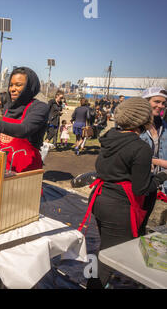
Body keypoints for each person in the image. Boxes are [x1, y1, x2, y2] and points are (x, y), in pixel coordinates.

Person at [79, 97, 167, 289]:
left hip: (100, 201)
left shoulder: (110, 137)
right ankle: (94, 285)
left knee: (103, 248)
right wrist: (162, 177)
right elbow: (141, 188)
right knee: (108, 256)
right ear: (143, 120)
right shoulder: (140, 148)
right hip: (119, 209)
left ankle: (93, 282)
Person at [0, 67, 49, 173]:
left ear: (29, 87)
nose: (12, 89)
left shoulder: (39, 107)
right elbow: (7, 133)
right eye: (11, 85)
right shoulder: (9, 107)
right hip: (5, 164)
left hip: (26, 168)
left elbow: (23, 130)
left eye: (18, 85)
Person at [139, 87, 167, 231]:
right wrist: (158, 162)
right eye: (156, 101)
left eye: (163, 103)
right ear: (145, 102)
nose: (161, 106)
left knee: (145, 225)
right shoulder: (135, 125)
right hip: (141, 182)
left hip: (158, 182)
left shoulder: (162, 125)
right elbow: (130, 154)